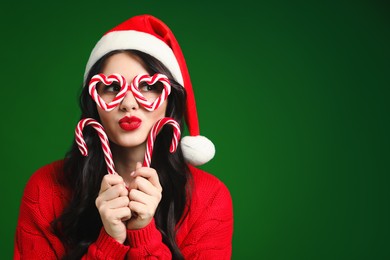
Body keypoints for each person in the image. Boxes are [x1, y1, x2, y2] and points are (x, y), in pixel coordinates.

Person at [14, 14, 233, 259]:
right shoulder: (45, 190)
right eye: (113, 87)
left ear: (169, 99)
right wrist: (109, 241)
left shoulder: (210, 198)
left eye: (148, 86)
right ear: (93, 101)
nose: (129, 103)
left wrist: (143, 234)